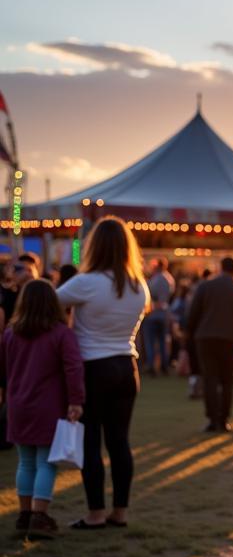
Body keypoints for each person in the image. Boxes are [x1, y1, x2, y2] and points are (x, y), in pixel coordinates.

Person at [57, 216, 149, 528]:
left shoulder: (86, 282)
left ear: (95, 245)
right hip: (126, 367)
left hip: (92, 368)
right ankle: (119, 512)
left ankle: (95, 513)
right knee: (119, 442)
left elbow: (49, 302)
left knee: (90, 442)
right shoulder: (139, 286)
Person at [0, 279, 85, 539]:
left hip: (18, 405)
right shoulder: (61, 333)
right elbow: (73, 368)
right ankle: (39, 516)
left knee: (25, 462)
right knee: (46, 463)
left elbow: (3, 369)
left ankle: (24, 515)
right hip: (48, 406)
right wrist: (76, 400)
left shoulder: (10, 334)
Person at [187, 256, 233, 433]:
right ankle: (224, 419)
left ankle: (211, 418)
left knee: (210, 378)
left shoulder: (205, 286)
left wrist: (189, 333)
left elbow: (193, 314)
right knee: (227, 380)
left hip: (206, 337)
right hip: (229, 339)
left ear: (220, 268)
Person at [142, 257, 175, 376]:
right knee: (162, 342)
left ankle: (151, 366)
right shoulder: (169, 279)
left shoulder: (154, 280)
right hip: (164, 314)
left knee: (150, 342)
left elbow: (149, 296)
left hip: (152, 314)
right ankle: (164, 366)